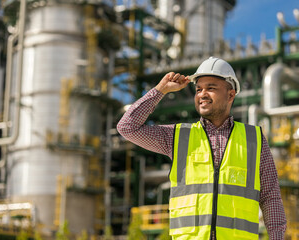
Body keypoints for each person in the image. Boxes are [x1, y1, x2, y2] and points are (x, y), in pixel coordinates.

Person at [117, 57, 286, 239]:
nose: (202, 94)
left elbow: (270, 197)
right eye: (198, 89)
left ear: (231, 95)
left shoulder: (254, 140)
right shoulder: (177, 137)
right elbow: (127, 127)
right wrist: (161, 90)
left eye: (211, 88)